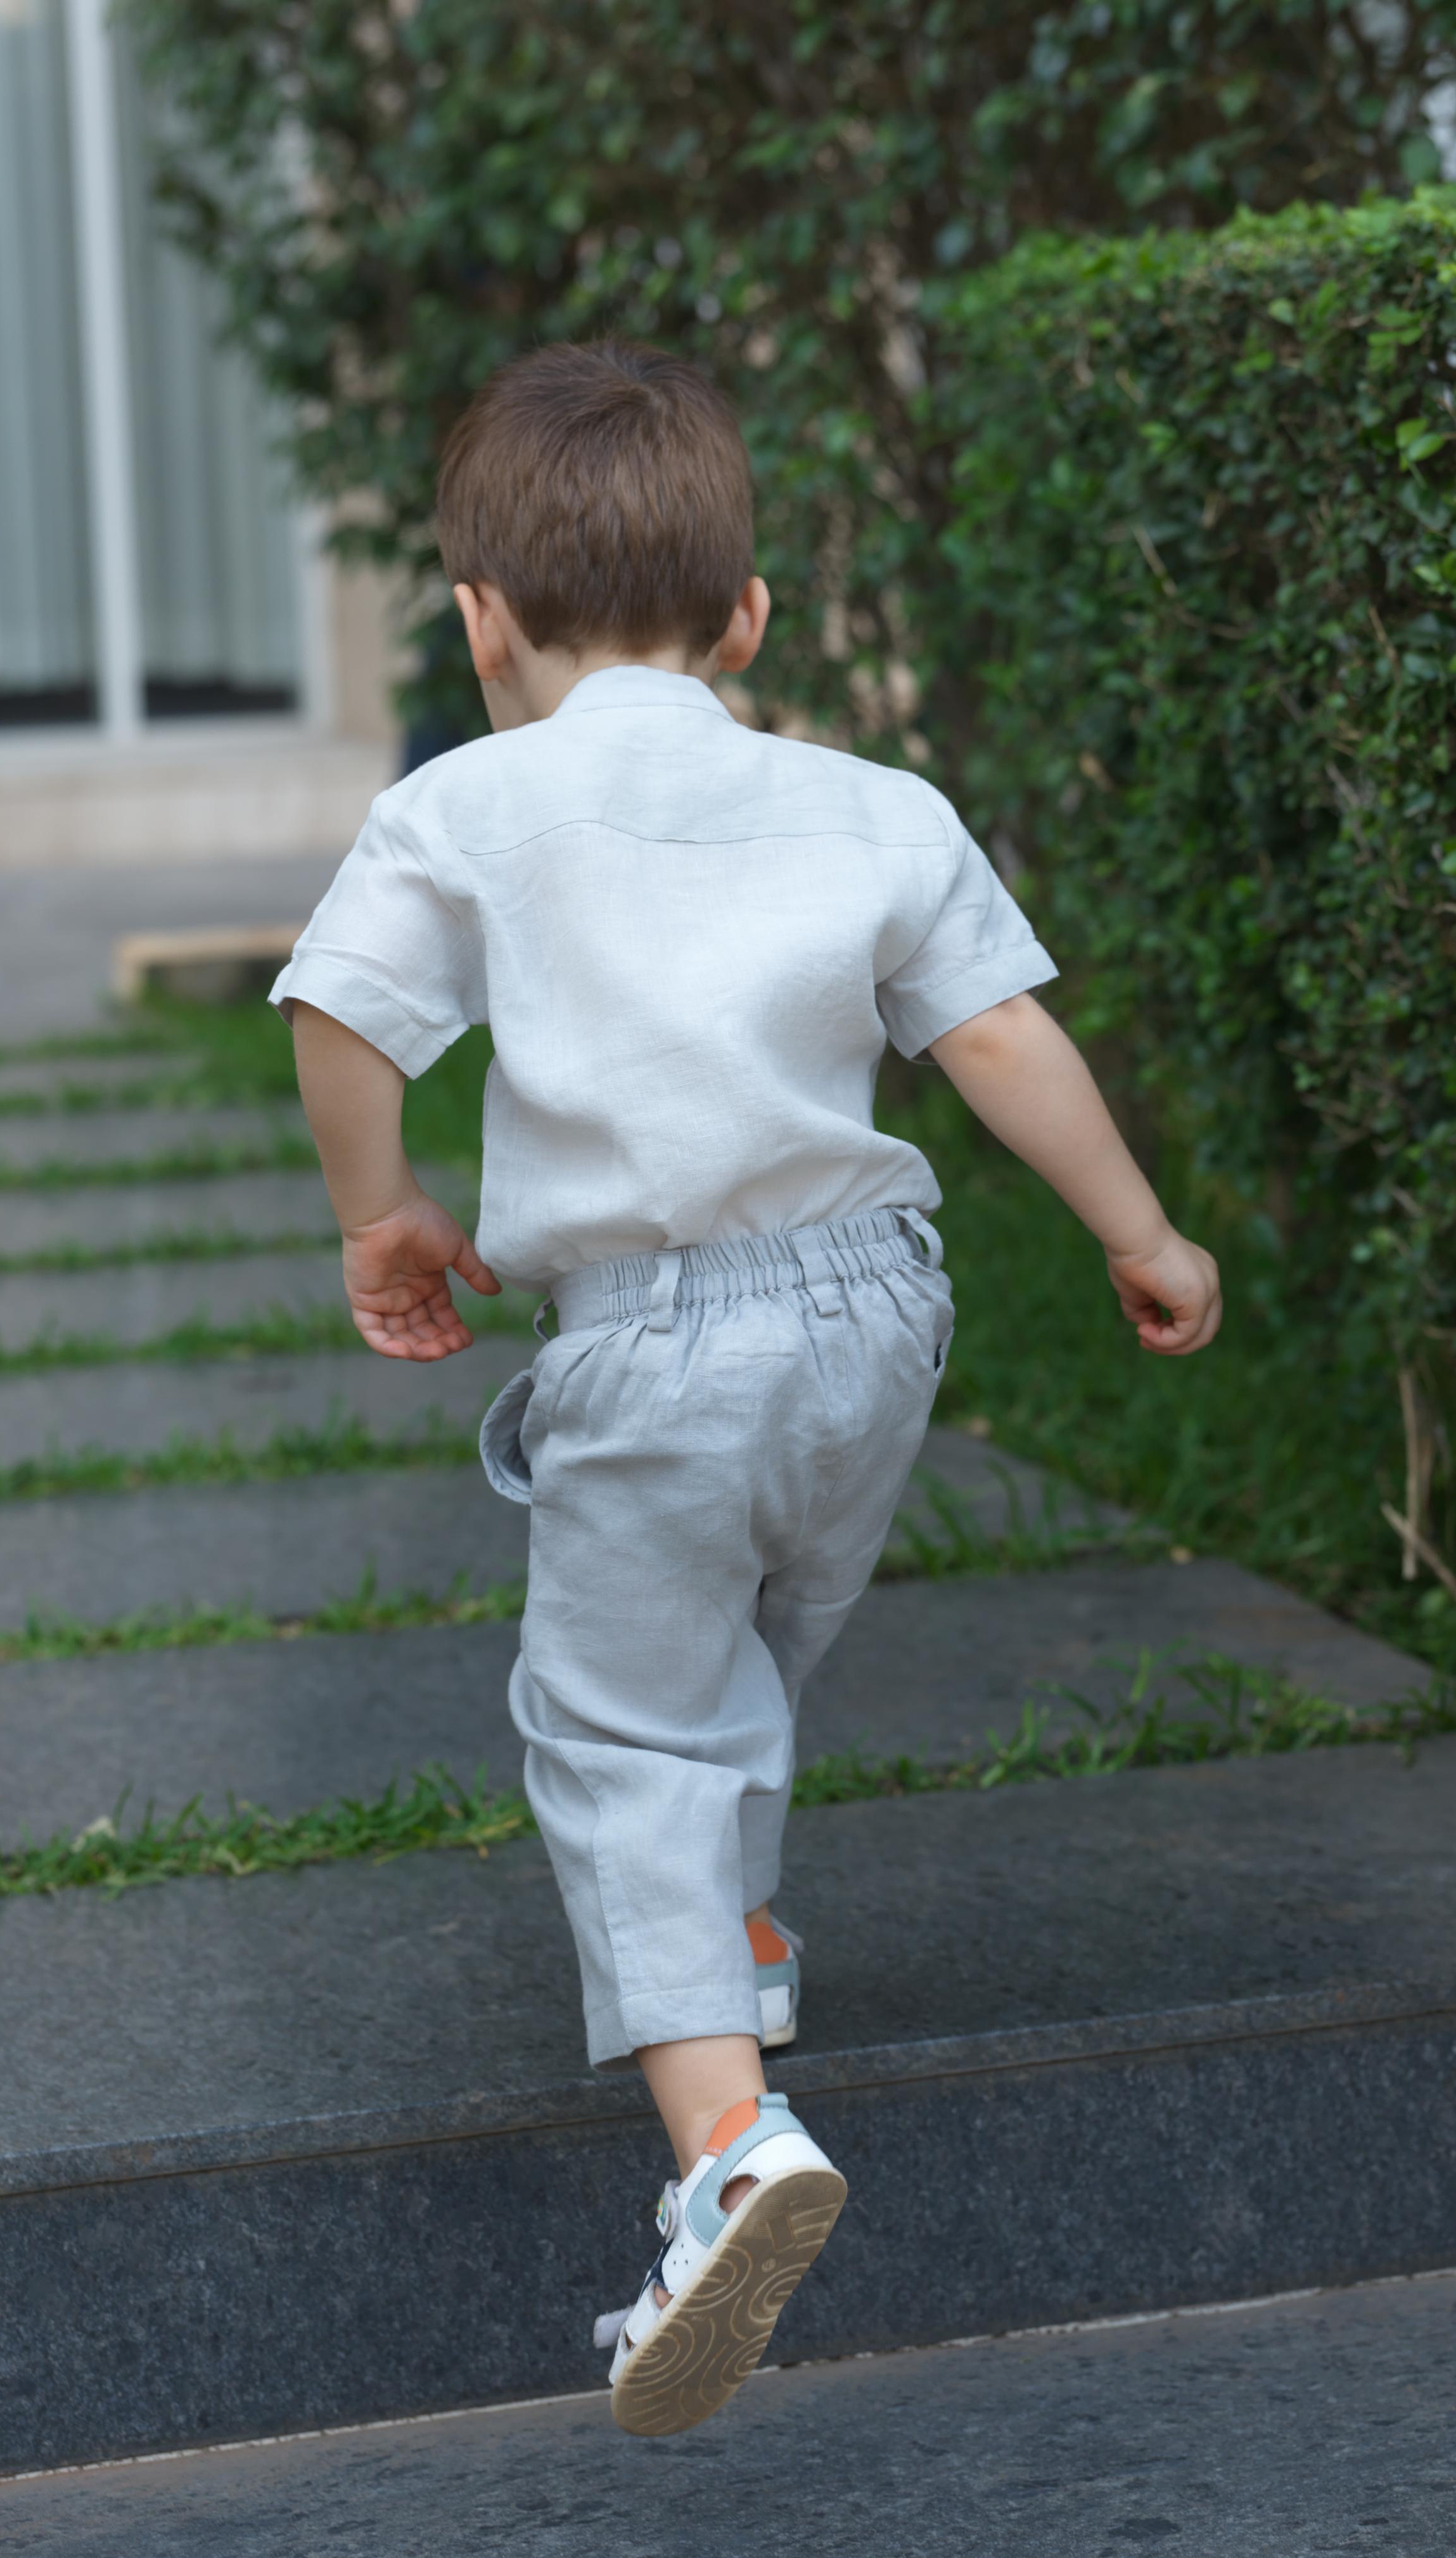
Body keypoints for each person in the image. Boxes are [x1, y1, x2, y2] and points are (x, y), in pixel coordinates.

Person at [272, 339, 1221, 2438]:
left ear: (479, 620)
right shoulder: (870, 804)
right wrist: (1140, 1234)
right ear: (748, 620)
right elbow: (994, 1042)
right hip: (876, 1317)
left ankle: (724, 2151)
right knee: (753, 1641)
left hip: (653, 1340)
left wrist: (386, 1217)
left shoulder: (462, 802)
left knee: (615, 1721)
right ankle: (739, 1927)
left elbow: (341, 1015)